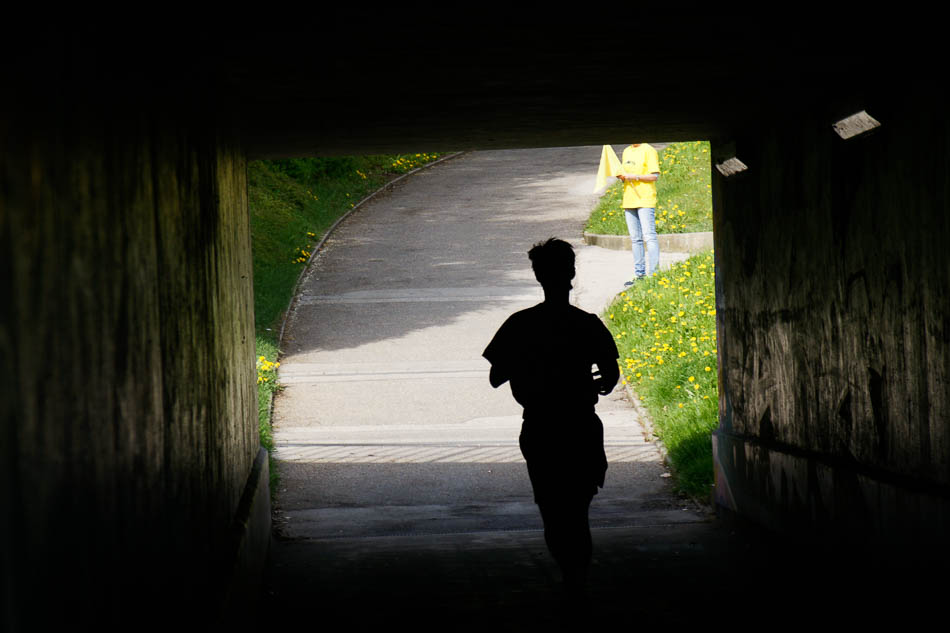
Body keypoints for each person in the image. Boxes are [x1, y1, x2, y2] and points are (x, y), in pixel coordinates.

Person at [483, 238, 620, 594]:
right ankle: (578, 579)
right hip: (580, 427)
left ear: (537, 276)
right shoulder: (587, 324)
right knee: (578, 510)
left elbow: (496, 377)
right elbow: (610, 377)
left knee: (552, 509)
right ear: (571, 273)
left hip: (541, 428)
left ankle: (569, 574)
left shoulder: (519, 325)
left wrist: (528, 363)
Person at [617, 143, 661, 285]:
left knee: (649, 236)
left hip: (645, 199)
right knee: (636, 239)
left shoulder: (648, 150)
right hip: (629, 200)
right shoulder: (626, 151)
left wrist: (635, 177)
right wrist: (622, 176)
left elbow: (654, 176)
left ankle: (654, 274)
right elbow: (625, 174)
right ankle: (639, 274)